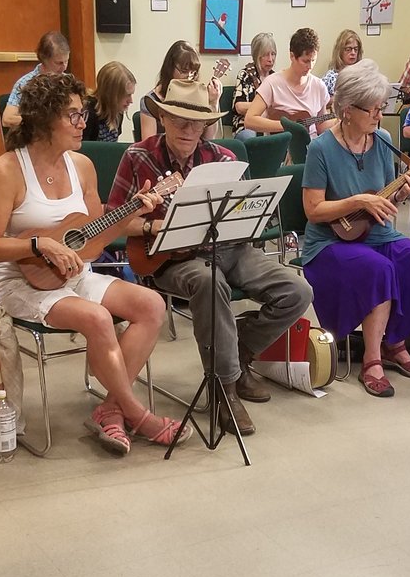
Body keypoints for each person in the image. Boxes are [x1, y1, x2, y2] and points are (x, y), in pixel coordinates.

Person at [0, 72, 189, 455]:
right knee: (97, 318)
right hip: (23, 281)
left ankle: (110, 410)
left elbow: (93, 239)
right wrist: (38, 245)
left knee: (152, 306)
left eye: (82, 113)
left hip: (73, 274)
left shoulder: (83, 166)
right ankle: (138, 414)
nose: (82, 122)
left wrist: (133, 210)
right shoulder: (7, 170)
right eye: (72, 115)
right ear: (44, 118)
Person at [106, 79, 313, 435]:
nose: (188, 130)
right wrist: (154, 228)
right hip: (169, 259)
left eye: (197, 123)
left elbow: (244, 220)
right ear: (164, 118)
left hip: (229, 249)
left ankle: (237, 353)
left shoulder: (224, 159)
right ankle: (224, 389)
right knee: (208, 281)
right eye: (180, 120)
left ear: (206, 125)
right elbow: (115, 223)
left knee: (297, 292)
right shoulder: (138, 158)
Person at [300, 61, 410, 398]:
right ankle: (372, 358)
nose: (380, 116)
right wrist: (359, 201)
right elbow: (313, 210)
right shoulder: (321, 149)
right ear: (348, 110)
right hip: (330, 241)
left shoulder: (381, 139)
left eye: (382, 107)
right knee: (378, 269)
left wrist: (404, 189)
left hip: (376, 232)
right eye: (373, 109)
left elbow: (385, 195)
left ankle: (395, 341)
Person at [244, 28, 335, 140]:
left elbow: (320, 126)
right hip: (282, 147)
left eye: (313, 60)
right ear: (292, 56)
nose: (310, 66)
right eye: (305, 61)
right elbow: (249, 120)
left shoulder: (319, 86)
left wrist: (339, 121)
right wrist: (287, 126)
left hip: (311, 147)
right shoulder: (272, 83)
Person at [139, 40, 220, 141]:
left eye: (194, 72)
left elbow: (208, 139)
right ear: (170, 68)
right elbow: (149, 144)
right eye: (184, 71)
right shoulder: (151, 100)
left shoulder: (197, 98)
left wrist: (213, 103)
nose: (189, 77)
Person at [1, 30, 70, 130]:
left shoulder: (68, 82)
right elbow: (7, 119)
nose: (64, 67)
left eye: (66, 61)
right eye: (58, 63)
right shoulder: (25, 83)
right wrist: (41, 122)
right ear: (44, 59)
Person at [229, 33, 276, 138]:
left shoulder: (275, 78)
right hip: (246, 126)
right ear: (256, 55)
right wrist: (266, 106)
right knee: (249, 137)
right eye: (265, 54)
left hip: (270, 126)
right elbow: (239, 107)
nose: (270, 59)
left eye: (273, 54)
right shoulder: (245, 75)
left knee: (286, 137)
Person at [82, 61, 135, 142]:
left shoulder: (118, 111)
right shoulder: (88, 113)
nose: (131, 101)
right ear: (111, 94)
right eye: (126, 95)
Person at [322, 29, 363, 98]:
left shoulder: (362, 75)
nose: (353, 53)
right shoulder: (330, 77)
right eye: (348, 49)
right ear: (340, 51)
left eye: (356, 49)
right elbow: (319, 102)